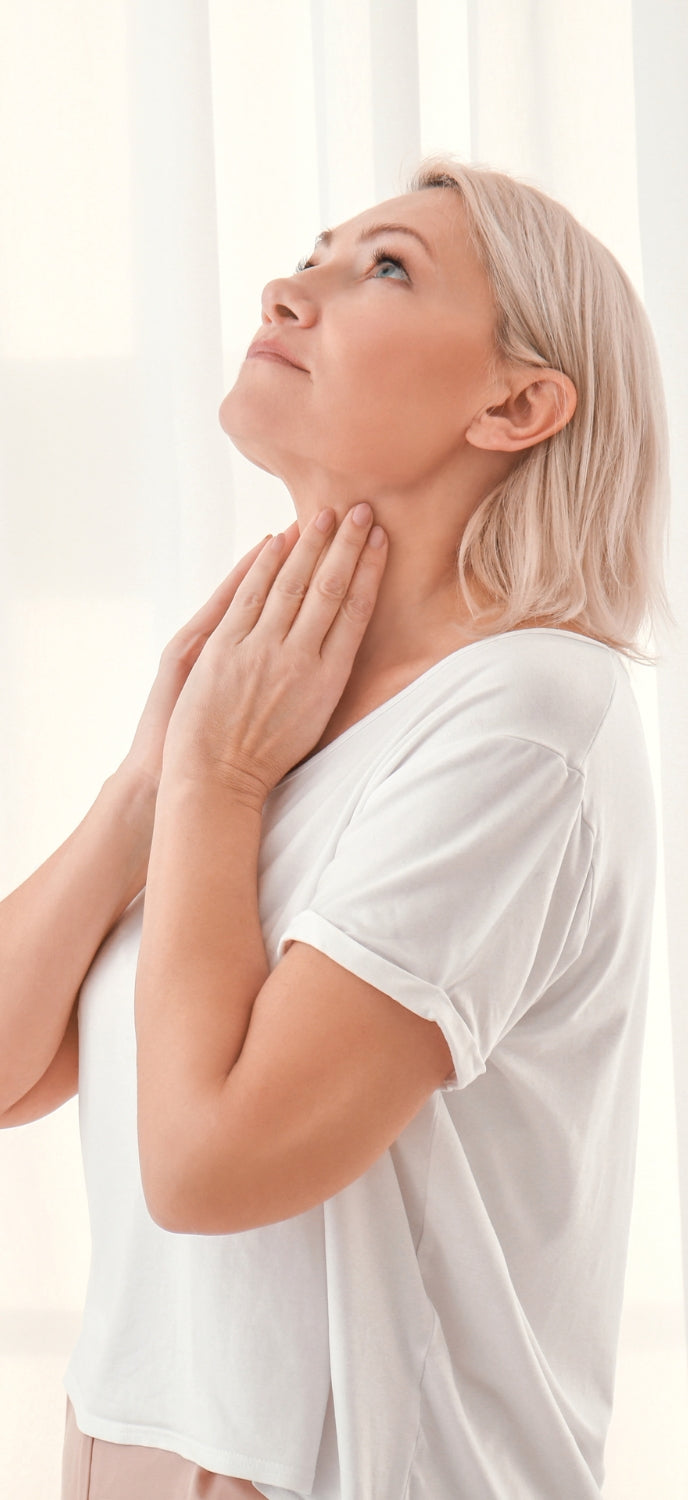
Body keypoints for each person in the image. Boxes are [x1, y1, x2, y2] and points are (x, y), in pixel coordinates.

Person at [0, 155, 674, 1500]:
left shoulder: (525, 719)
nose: (287, 289)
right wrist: (148, 785)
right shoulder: (272, 709)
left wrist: (215, 785)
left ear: (518, 404)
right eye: (314, 252)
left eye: (387, 268)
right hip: (131, 1449)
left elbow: (211, 1167)